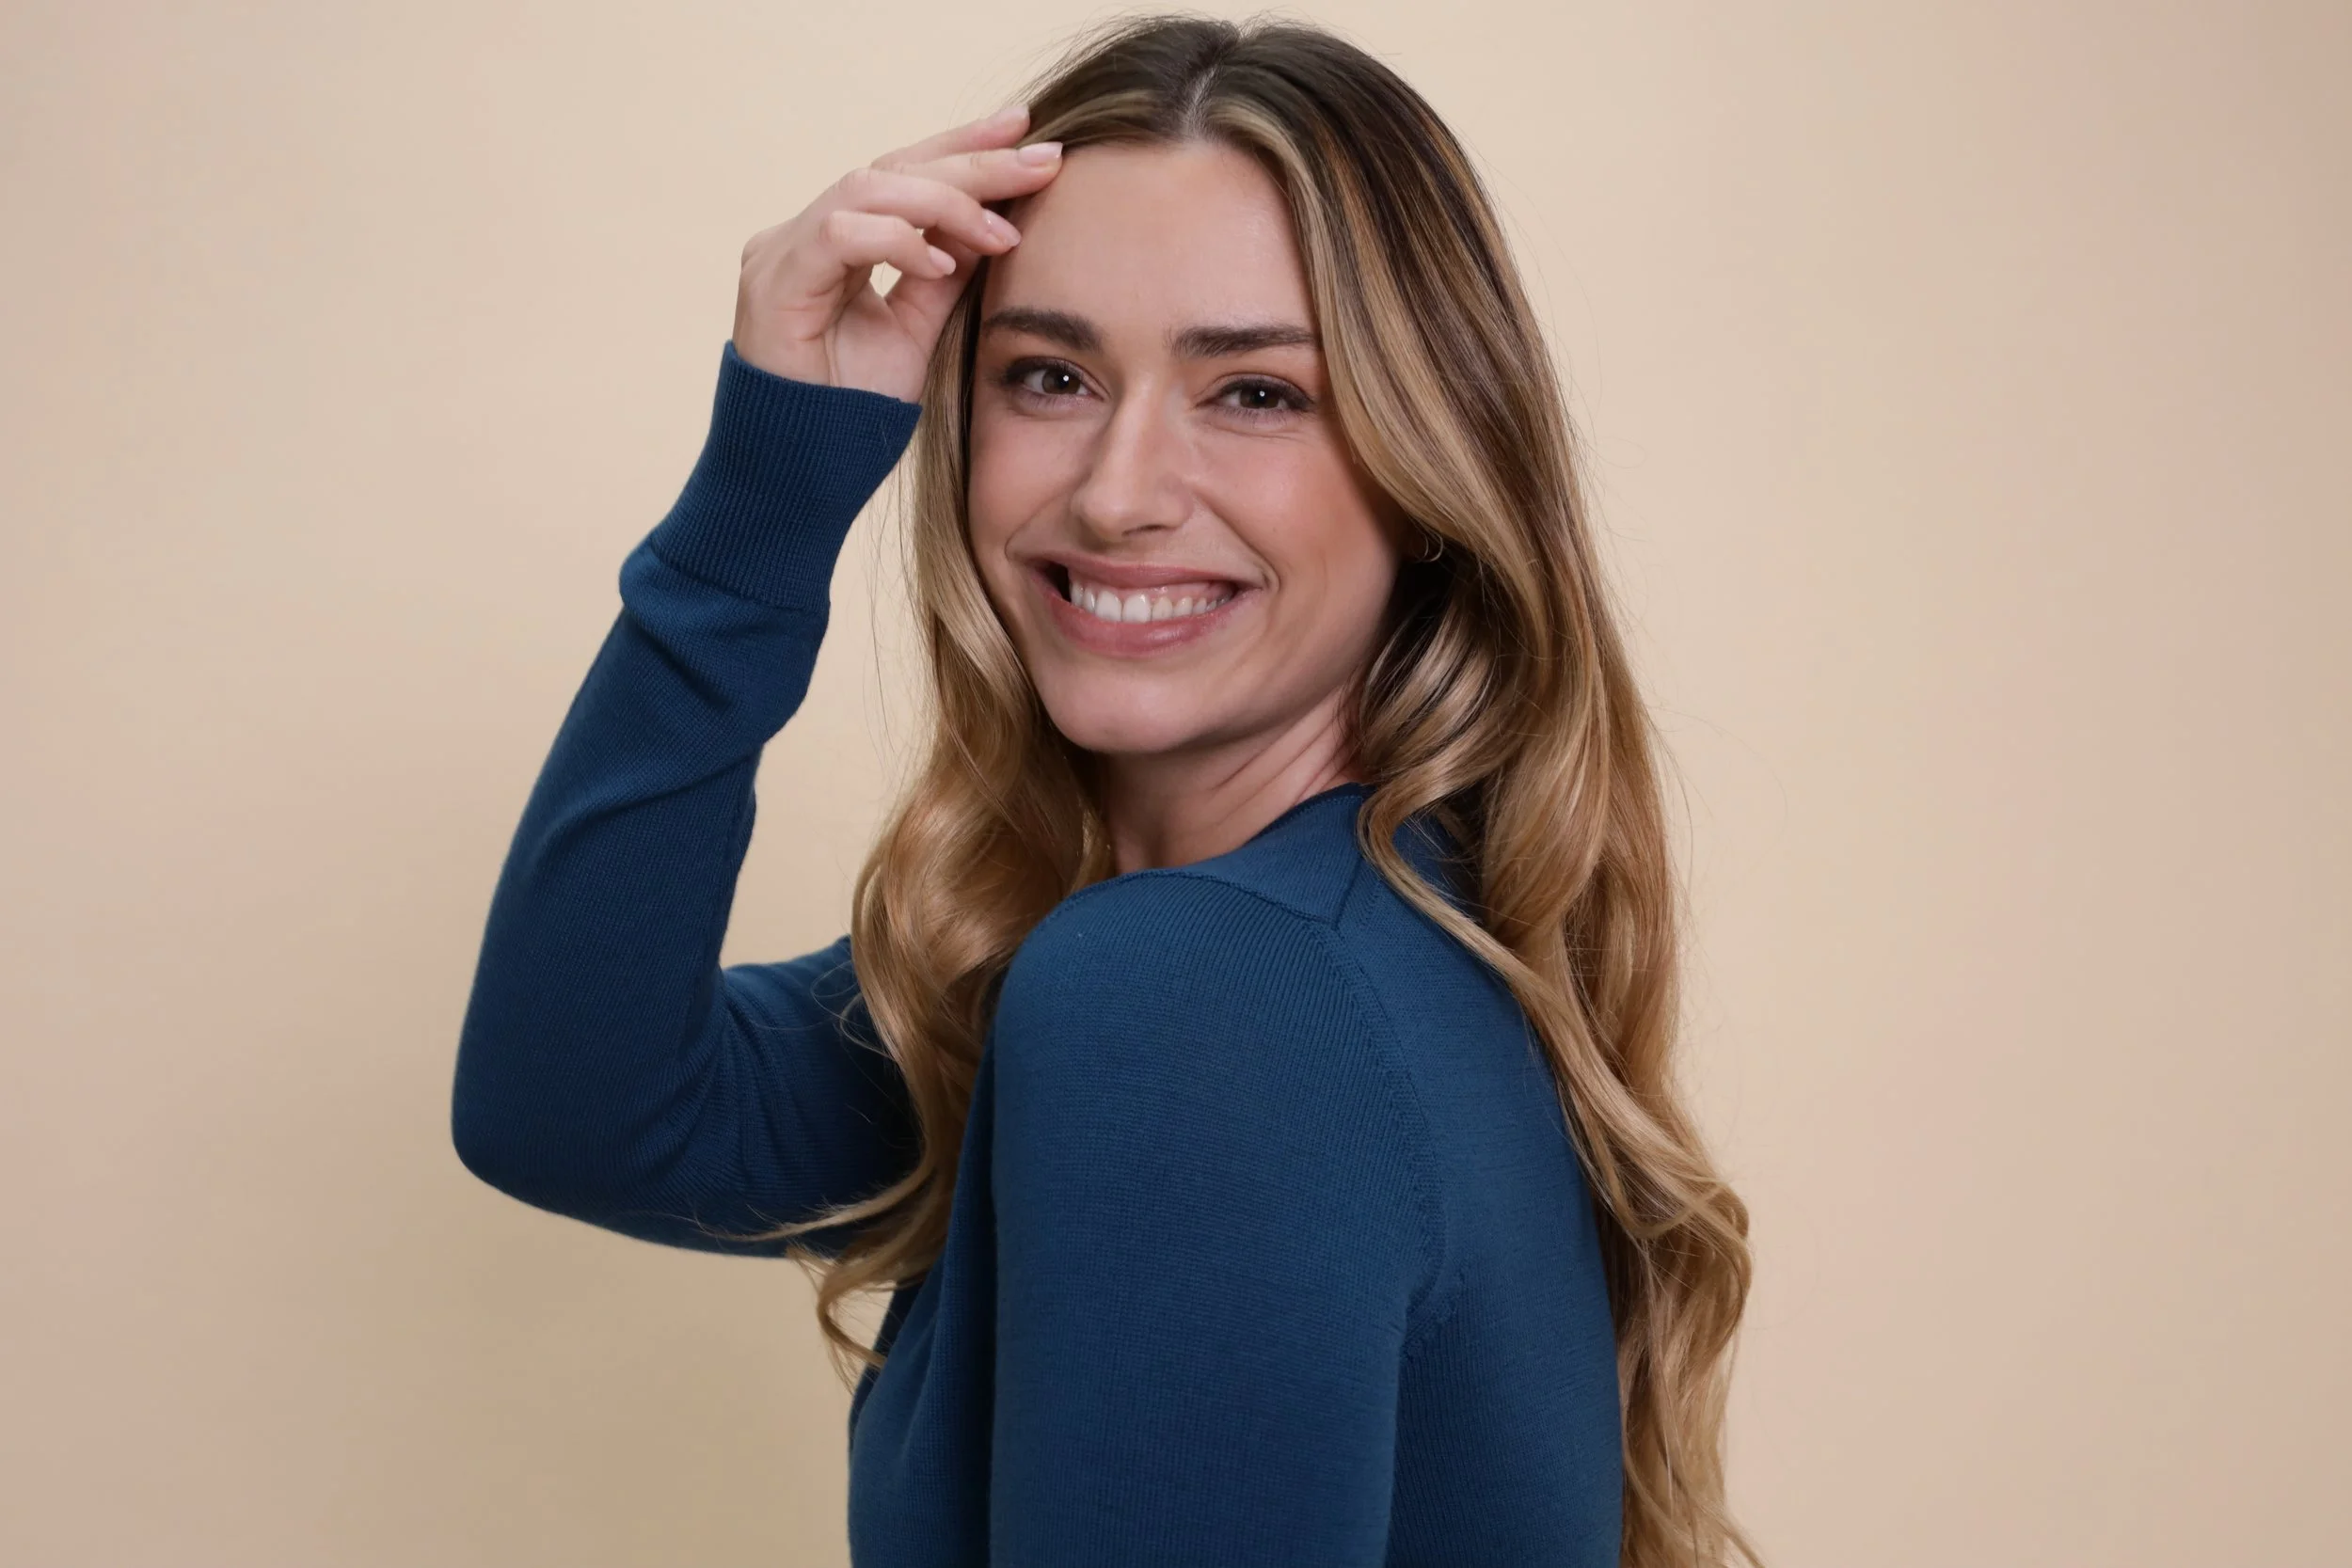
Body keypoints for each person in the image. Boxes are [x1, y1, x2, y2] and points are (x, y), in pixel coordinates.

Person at [450, 13, 1760, 1567]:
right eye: (1050, 375)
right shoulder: (1343, 939)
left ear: (1432, 473)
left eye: (1258, 393)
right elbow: (579, 1109)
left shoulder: (1204, 996)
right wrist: (769, 485)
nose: (1121, 491)